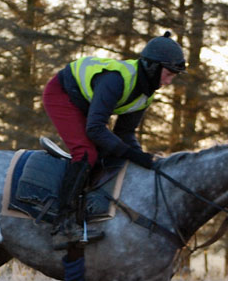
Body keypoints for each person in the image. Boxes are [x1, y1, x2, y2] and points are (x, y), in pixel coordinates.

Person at [43, 31, 186, 250]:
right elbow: (95, 129)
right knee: (86, 152)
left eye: (172, 77)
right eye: (167, 74)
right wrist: (133, 154)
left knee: (110, 154)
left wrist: (144, 160)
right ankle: (62, 224)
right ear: (152, 67)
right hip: (61, 93)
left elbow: (125, 133)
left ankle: (89, 212)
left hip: (86, 102)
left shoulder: (146, 94)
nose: (168, 82)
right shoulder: (116, 80)